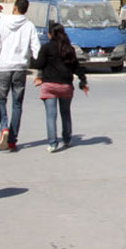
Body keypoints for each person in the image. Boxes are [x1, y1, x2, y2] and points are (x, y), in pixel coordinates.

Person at [0, 0, 41, 152]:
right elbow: (36, 49)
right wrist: (41, 69)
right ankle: (13, 140)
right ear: (26, 10)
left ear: (15, 8)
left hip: (3, 67)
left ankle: (4, 128)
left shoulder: (2, 23)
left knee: (1, 100)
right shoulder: (29, 26)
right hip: (20, 68)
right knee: (17, 104)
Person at [33, 22, 88, 153]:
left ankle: (52, 143)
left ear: (50, 34)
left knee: (51, 116)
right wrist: (83, 80)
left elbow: (38, 64)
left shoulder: (46, 48)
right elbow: (76, 67)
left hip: (49, 86)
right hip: (65, 86)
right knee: (65, 113)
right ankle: (67, 139)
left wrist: (30, 58)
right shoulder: (69, 49)